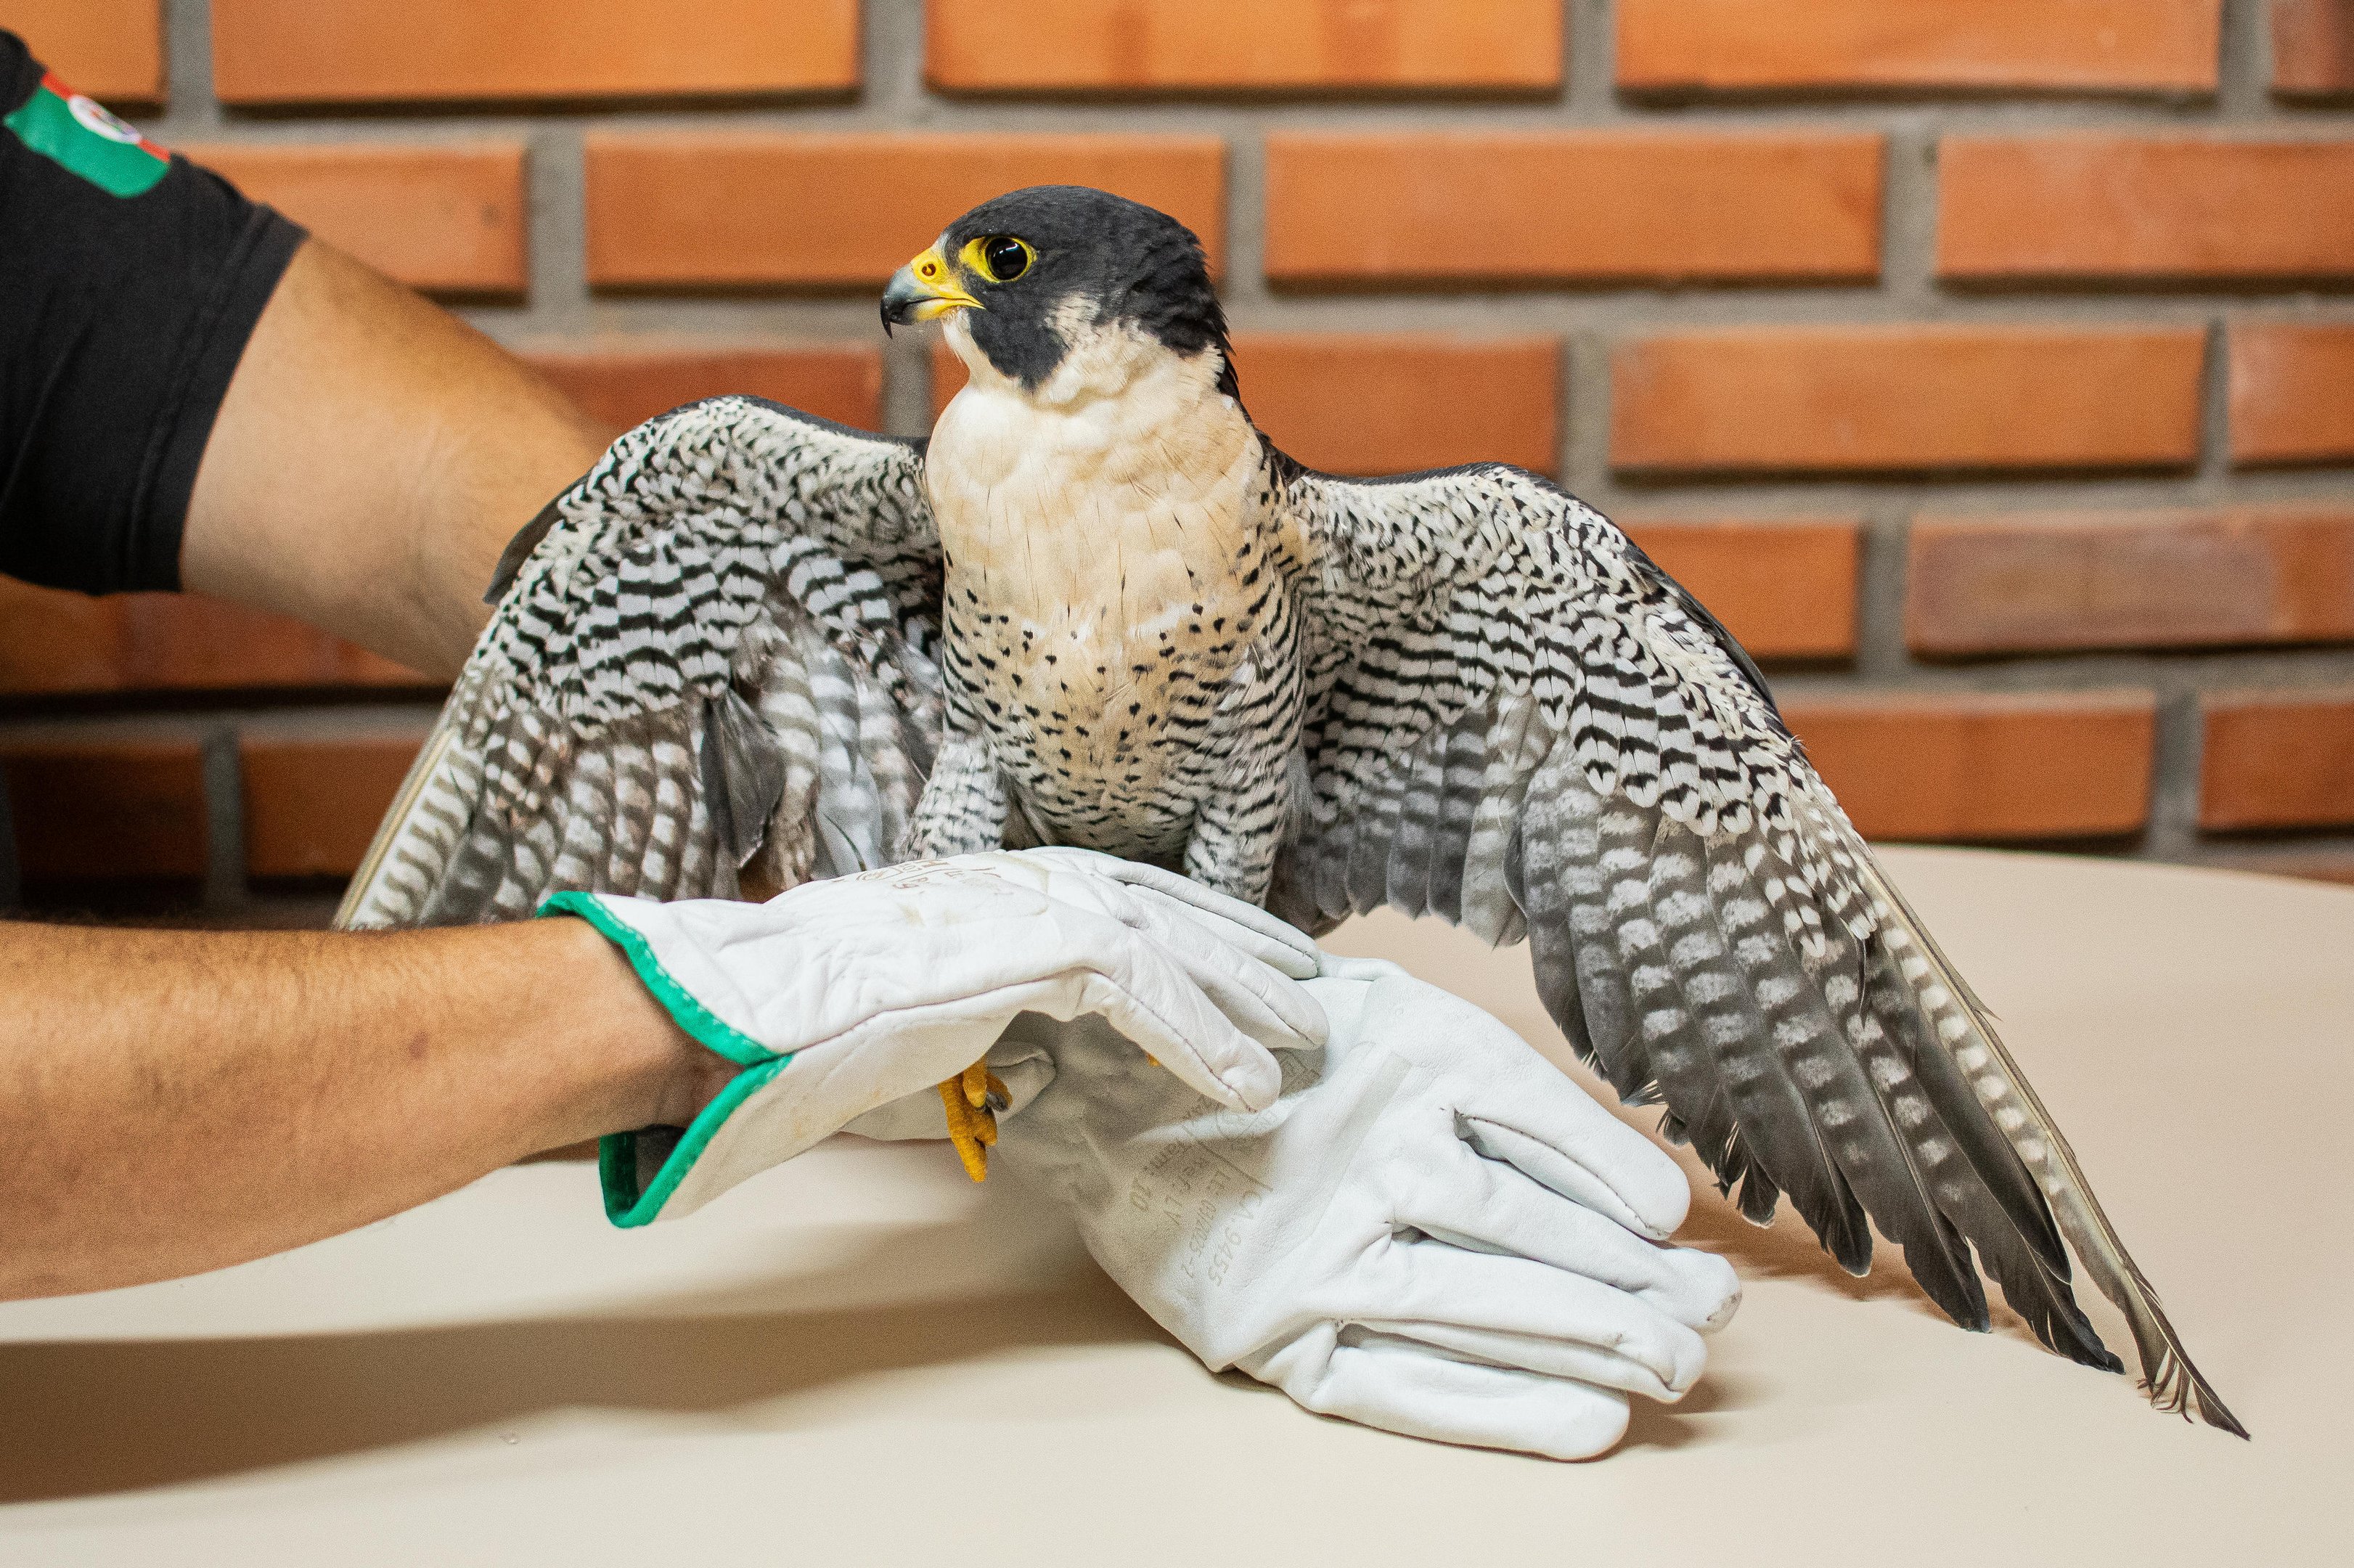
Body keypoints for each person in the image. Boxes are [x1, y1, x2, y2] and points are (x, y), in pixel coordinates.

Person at [0, 30, 1736, 1460]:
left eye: (984, 268)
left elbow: (211, 361)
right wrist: (780, 984)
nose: (921, 291)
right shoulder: (969, 456)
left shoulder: (1299, 518)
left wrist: (741, 654)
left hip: (1198, 871)